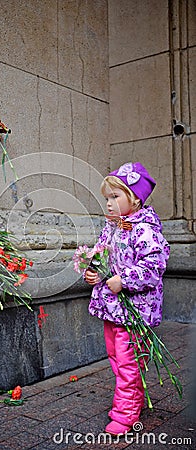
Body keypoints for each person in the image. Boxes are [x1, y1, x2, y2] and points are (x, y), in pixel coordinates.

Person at [84, 162, 170, 436]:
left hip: (135, 310)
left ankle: (125, 414)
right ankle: (133, 398)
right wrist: (94, 272)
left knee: (128, 361)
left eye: (115, 197)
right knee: (116, 357)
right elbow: (102, 255)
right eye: (106, 198)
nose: (108, 204)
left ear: (134, 199)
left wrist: (125, 279)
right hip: (114, 308)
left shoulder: (144, 230)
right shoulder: (113, 227)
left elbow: (154, 266)